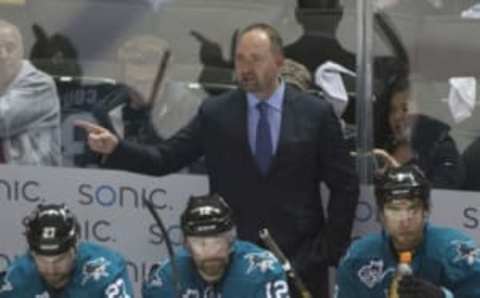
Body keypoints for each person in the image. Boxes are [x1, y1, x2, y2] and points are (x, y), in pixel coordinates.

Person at [78, 23, 359, 298]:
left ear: (278, 61)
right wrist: (117, 149)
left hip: (301, 261)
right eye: (240, 59)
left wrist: (327, 250)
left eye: (256, 59)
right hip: (230, 264)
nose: (246, 68)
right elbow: (165, 158)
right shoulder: (216, 112)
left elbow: (345, 183)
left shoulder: (315, 113)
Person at [335, 164, 480, 298]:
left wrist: (443, 296)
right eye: (394, 209)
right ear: (380, 214)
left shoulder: (457, 254)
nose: (404, 219)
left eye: (413, 208)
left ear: (427, 210)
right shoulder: (357, 258)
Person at [143, 193, 290, 297]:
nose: (210, 252)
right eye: (201, 242)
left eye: (218, 240)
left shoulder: (264, 270)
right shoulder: (164, 278)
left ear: (232, 240)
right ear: (186, 244)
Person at [0, 204, 133, 297]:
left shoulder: (106, 272)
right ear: (32, 254)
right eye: (42, 260)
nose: (51, 270)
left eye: (59, 260)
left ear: (75, 248)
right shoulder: (15, 280)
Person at [374, 74, 464, 189]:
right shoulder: (383, 147)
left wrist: (398, 177)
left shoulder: (443, 151)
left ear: (425, 111)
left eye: (405, 108)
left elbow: (440, 199)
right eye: (392, 110)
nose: (397, 116)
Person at [0, 19, 61, 165]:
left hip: (34, 185)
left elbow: (2, 119)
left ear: (21, 52)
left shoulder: (39, 84)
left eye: (10, 47)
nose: (2, 55)